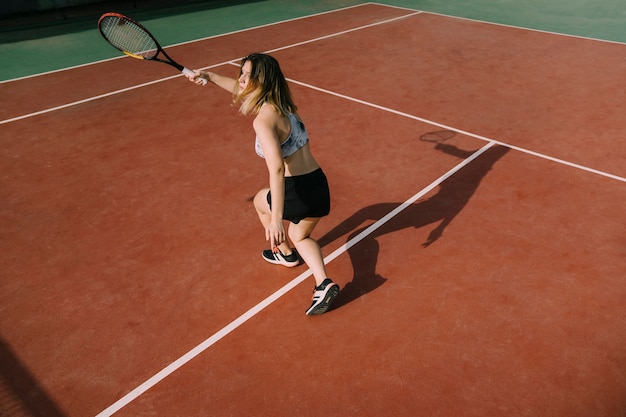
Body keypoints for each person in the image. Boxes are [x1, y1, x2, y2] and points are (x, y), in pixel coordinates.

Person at [187, 53, 339, 315]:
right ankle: (322, 282)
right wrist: (209, 76)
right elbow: (241, 90)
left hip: (297, 189)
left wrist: (277, 218)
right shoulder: (285, 104)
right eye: (241, 73)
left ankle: (283, 252)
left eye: (248, 75)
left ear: (263, 81)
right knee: (300, 235)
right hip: (318, 184)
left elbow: (277, 168)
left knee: (261, 201)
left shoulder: (263, 120)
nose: (241, 79)